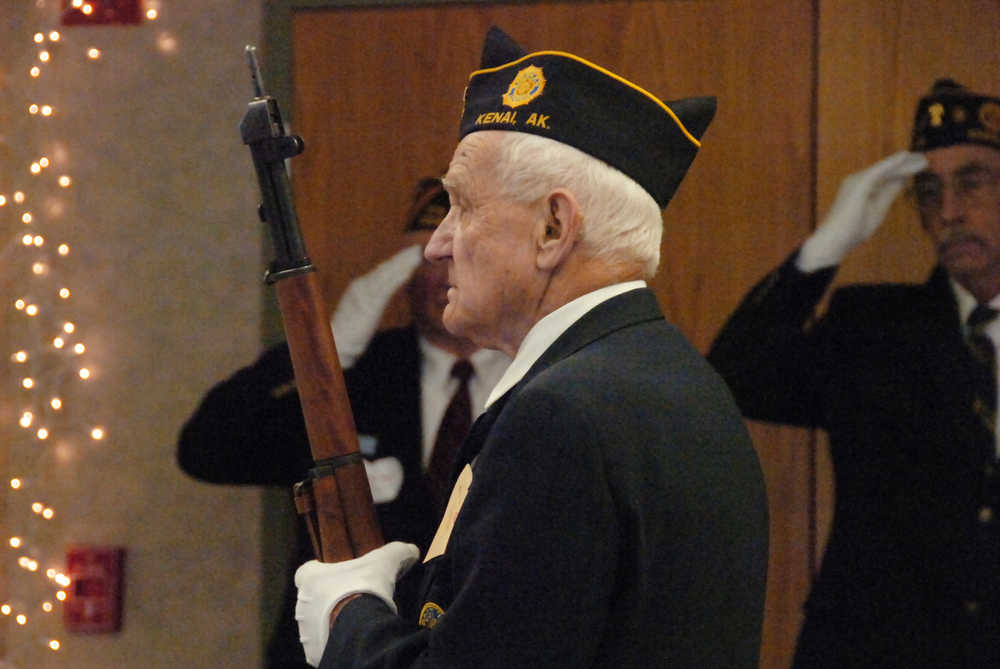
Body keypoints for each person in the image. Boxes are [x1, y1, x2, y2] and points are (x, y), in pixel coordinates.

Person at [293, 26, 769, 668]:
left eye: (461, 206)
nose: (436, 246)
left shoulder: (563, 415)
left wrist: (348, 616)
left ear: (553, 228)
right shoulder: (673, 380)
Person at [707, 79, 1000, 667]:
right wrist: (826, 247)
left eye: (971, 182)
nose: (948, 212)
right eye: (928, 191)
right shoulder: (871, 330)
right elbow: (734, 377)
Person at [177, 176, 510, 669]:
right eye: (431, 256)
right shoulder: (352, 378)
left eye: (466, 253)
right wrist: (311, 359)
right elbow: (207, 448)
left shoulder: (539, 380)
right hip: (344, 650)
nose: (445, 273)